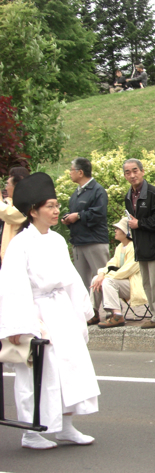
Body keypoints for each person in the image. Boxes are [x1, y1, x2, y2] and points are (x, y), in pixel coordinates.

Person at [0, 172, 99, 450]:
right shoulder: (20, 243)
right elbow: (13, 285)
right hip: (36, 311)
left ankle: (66, 426)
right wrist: (21, 324)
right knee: (39, 373)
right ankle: (31, 431)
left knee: (70, 367)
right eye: (50, 206)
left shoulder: (56, 240)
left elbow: (70, 278)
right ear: (33, 210)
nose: (56, 211)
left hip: (60, 310)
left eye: (57, 205)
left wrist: (81, 308)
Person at [123, 159, 155, 329]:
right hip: (141, 246)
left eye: (135, 171)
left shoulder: (153, 193)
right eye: (128, 172)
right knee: (147, 283)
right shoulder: (128, 196)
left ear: (142, 171)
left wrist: (140, 224)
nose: (132, 175)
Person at [88, 217, 147, 328]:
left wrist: (105, 277)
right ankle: (93, 313)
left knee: (108, 282)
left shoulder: (135, 247)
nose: (115, 230)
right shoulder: (120, 247)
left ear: (126, 232)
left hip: (136, 285)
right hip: (123, 283)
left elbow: (127, 271)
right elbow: (111, 264)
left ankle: (117, 315)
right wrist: (101, 274)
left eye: (118, 228)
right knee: (96, 278)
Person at [61, 158, 110, 292]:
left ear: (80, 172)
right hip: (79, 242)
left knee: (101, 278)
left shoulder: (97, 190)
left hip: (95, 241)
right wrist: (68, 219)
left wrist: (78, 216)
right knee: (82, 281)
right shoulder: (76, 194)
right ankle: (89, 310)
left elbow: (99, 214)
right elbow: (74, 213)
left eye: (71, 170)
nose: (70, 173)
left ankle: (111, 309)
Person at [0, 167, 29, 263]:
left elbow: (9, 213)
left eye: (8, 184)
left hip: (18, 257)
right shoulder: (11, 201)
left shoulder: (26, 202)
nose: (5, 188)